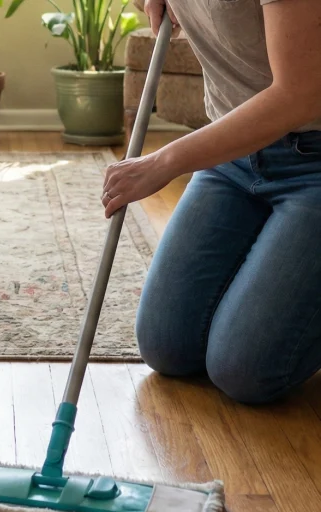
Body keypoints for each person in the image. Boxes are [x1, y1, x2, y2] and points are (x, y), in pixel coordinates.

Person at [102, 0, 321, 404]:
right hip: (233, 153)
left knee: (246, 370)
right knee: (167, 345)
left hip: (314, 158)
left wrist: (164, 161)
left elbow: (300, 94)